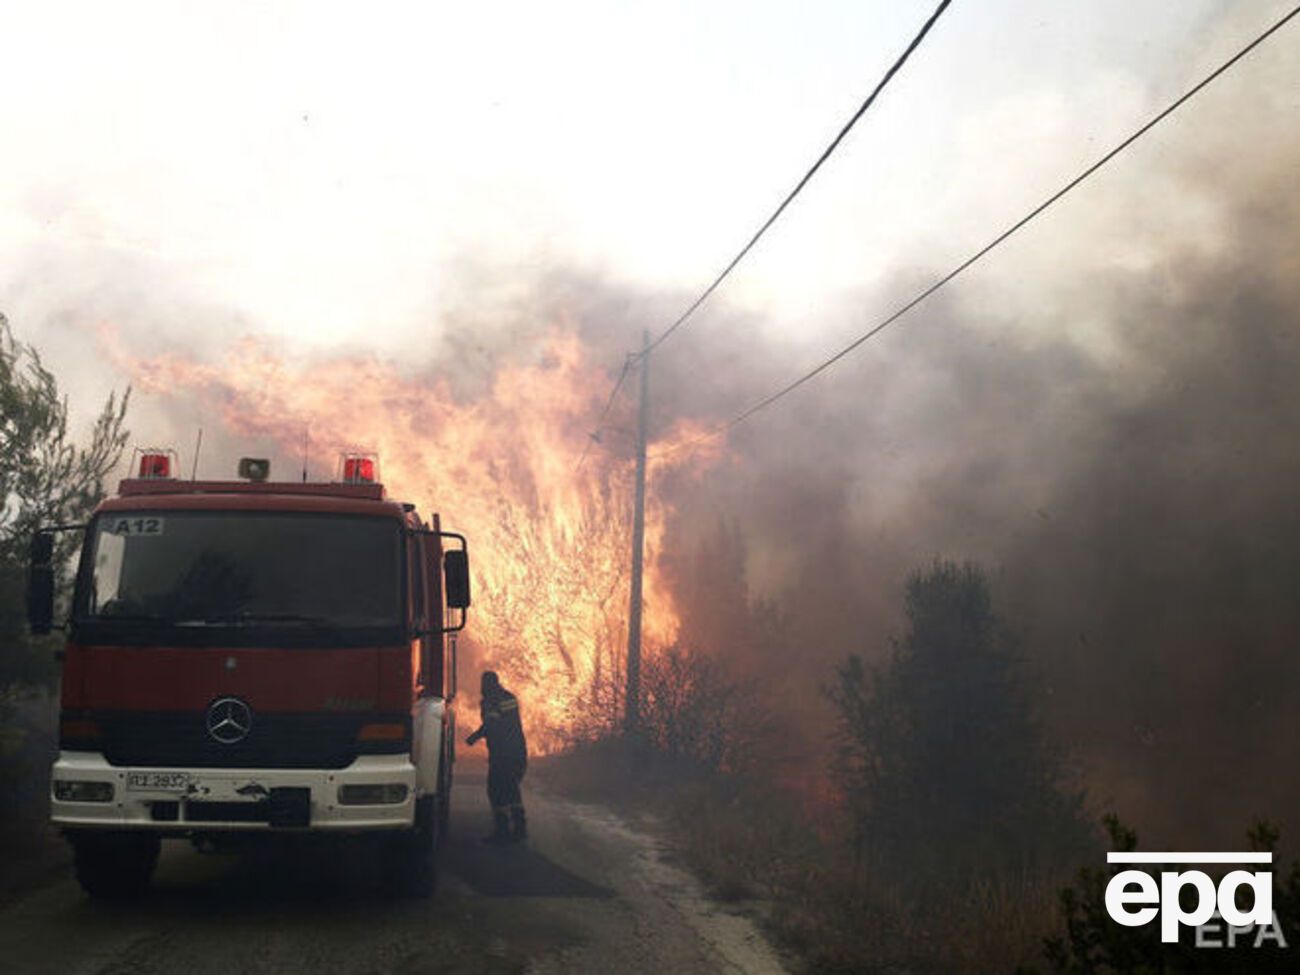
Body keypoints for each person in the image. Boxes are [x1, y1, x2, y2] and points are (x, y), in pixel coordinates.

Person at [464, 670, 528, 843]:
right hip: (518, 750)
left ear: (485, 685)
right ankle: (520, 829)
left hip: (502, 753)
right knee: (512, 789)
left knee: (495, 790)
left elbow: (492, 724)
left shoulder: (490, 701)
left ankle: (503, 831)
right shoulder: (509, 697)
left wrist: (474, 737)